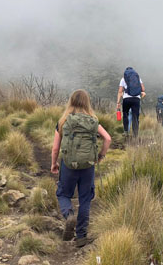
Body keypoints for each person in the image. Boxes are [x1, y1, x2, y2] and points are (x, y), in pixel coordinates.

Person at [51, 90, 111, 248]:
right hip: (88, 166)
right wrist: (100, 156)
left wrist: (54, 163)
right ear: (87, 103)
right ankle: (81, 236)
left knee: (63, 193)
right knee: (85, 198)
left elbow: (55, 149)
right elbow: (108, 138)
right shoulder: (93, 121)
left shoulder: (64, 121)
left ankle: (69, 215)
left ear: (71, 102)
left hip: (69, 165)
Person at [116, 67, 146, 138]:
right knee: (135, 117)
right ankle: (135, 134)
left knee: (125, 114)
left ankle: (126, 132)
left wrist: (118, 102)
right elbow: (143, 89)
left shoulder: (123, 78)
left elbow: (120, 91)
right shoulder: (138, 78)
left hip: (126, 99)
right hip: (136, 99)